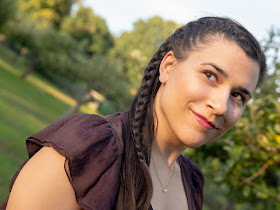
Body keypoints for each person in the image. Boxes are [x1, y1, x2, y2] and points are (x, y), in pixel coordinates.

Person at [1, 16, 266, 210]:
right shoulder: (87, 150)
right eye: (210, 75)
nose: (221, 106)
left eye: (238, 96)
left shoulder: (192, 183)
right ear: (168, 67)